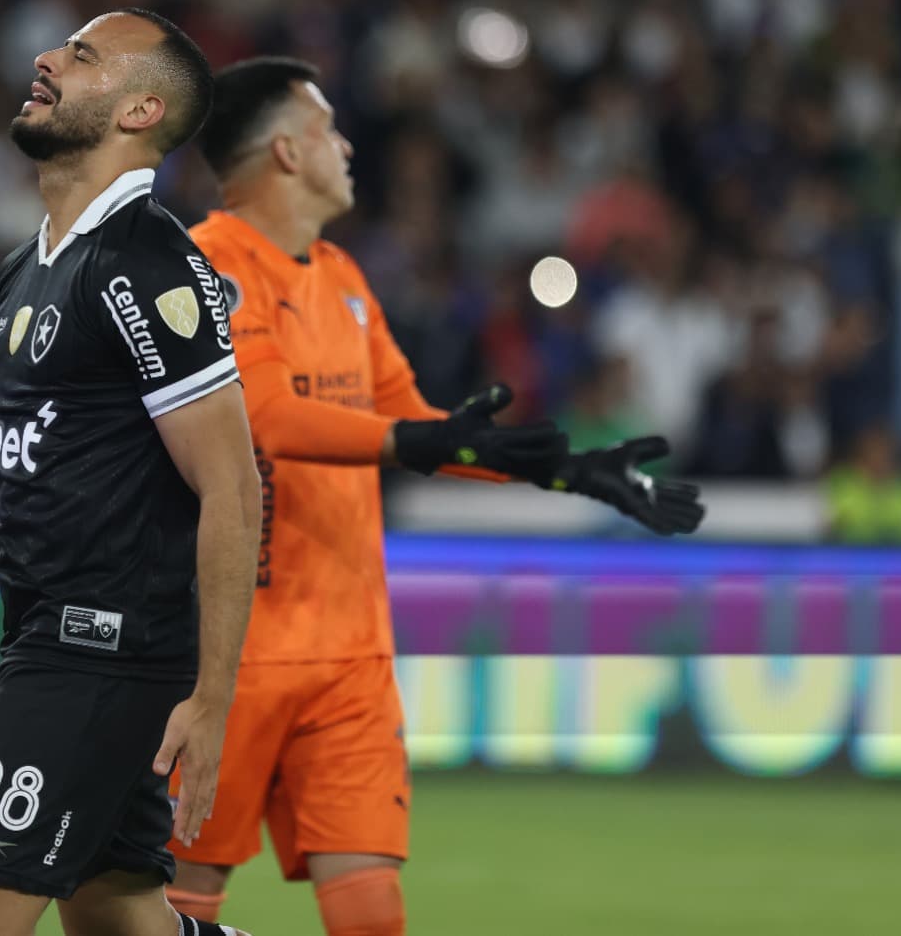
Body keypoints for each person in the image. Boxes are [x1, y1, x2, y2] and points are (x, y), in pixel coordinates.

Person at [166, 57, 704, 935]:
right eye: (327, 129)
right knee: (176, 903)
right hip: (231, 649)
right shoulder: (206, 264)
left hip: (351, 655)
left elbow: (417, 424)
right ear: (286, 153)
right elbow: (264, 416)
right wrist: (410, 442)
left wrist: (565, 469)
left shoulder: (342, 277)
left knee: (372, 912)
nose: (347, 147)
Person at [0, 10, 262, 936]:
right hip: (42, 633)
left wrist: (212, 698)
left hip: (103, 647)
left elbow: (232, 487)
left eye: (81, 56)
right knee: (115, 913)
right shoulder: (22, 271)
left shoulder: (146, 264)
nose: (44, 58)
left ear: (139, 110)